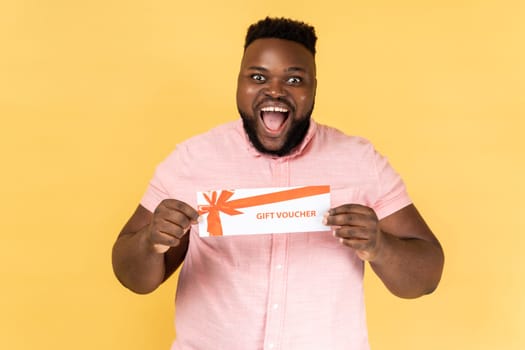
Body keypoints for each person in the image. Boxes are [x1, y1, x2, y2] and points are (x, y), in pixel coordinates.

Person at [112, 17, 444, 350]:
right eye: (258, 77)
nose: (275, 90)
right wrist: (150, 241)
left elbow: (426, 278)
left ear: (314, 87)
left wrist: (380, 246)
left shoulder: (360, 161)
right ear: (239, 83)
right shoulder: (191, 160)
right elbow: (132, 277)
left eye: (294, 79)